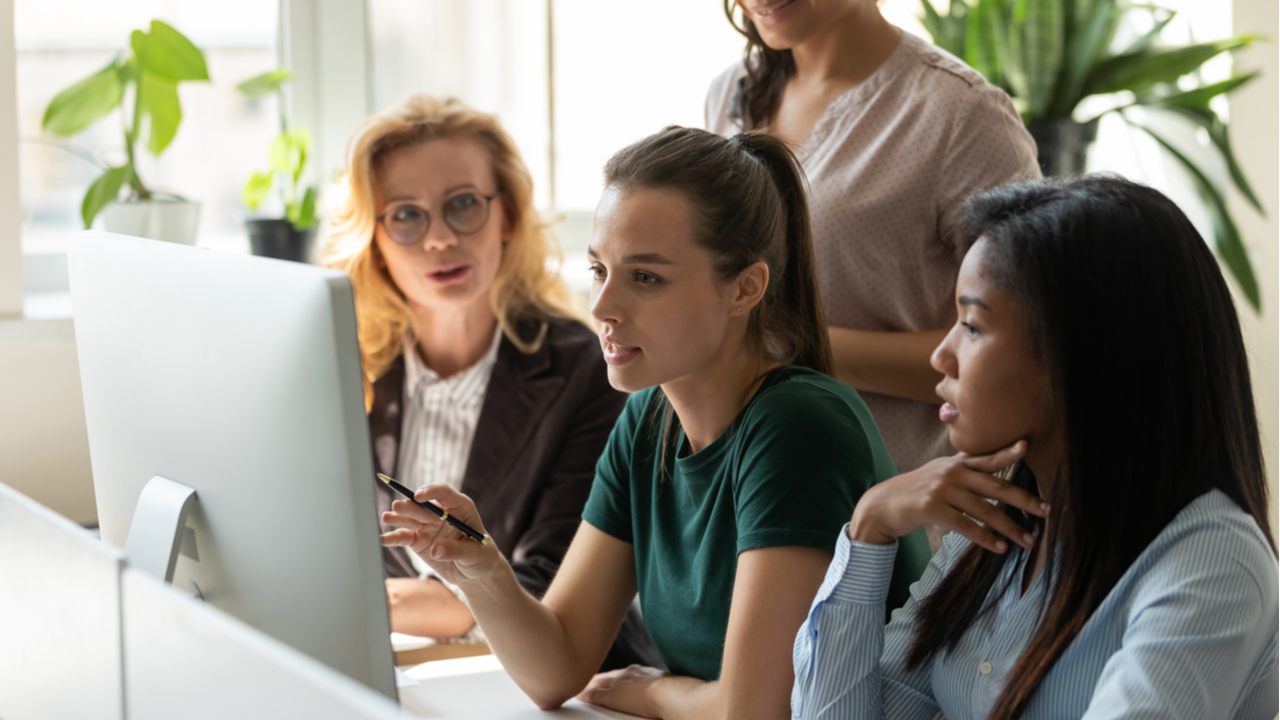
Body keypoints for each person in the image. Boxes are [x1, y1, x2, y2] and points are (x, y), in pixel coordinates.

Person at [382, 126, 931, 719]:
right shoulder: (650, 416)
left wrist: (651, 690)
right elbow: (556, 667)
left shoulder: (797, 426)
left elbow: (751, 712)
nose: (602, 307)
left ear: (745, 288)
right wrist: (479, 567)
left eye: (645, 278)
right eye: (599, 270)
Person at [791, 176, 1279, 719]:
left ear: (1083, 358)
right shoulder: (991, 522)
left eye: (971, 326)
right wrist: (870, 527)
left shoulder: (1210, 562)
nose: (941, 356)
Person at [322, 95, 659, 669]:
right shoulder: (346, 370)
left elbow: (548, 590)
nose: (439, 239)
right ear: (373, 239)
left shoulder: (588, 371)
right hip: (395, 667)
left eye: (462, 205)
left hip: (550, 684)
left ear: (506, 215)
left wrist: (369, 608)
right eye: (406, 214)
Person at [707, 0, 1041, 484]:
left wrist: (780, 340)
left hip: (887, 501)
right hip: (744, 482)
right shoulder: (731, 94)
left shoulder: (962, 116)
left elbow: (1024, 350)